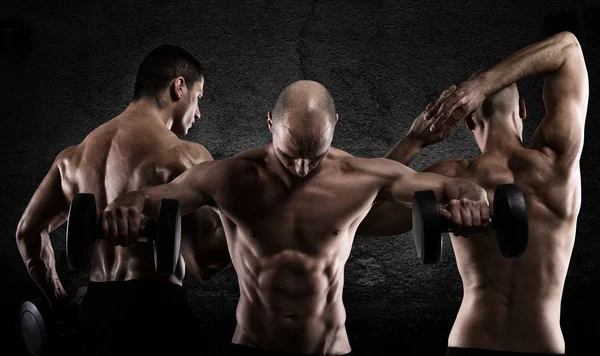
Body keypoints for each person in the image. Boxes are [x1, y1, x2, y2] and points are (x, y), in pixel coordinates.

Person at [99, 79, 493, 356]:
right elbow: (152, 198)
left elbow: (446, 187)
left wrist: (471, 197)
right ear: (270, 122)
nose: (302, 169)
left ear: (335, 126)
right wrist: (126, 209)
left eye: (315, 157)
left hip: (331, 350)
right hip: (252, 347)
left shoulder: (362, 176)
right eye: (290, 156)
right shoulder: (228, 178)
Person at [361, 31, 588, 355]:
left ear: (467, 122)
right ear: (523, 109)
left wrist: (414, 141)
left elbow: (361, 217)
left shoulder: (450, 176)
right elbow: (568, 48)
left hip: (472, 341)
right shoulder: (556, 166)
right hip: (542, 343)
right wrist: (485, 84)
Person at [15, 44, 230, 355]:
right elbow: (205, 262)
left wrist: (59, 300)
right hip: (156, 313)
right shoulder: (185, 156)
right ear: (179, 87)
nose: (198, 112)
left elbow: (27, 232)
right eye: (198, 99)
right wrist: (248, 216)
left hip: (96, 311)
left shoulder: (73, 157)